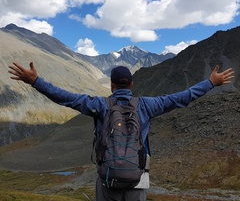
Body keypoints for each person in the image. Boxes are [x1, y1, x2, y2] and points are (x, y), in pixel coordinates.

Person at [8, 62, 234, 201]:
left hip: (107, 180)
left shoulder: (99, 105)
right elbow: (181, 98)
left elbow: (66, 98)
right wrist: (210, 83)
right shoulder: (147, 105)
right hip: (137, 179)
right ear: (132, 85)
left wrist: (35, 81)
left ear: (111, 85)